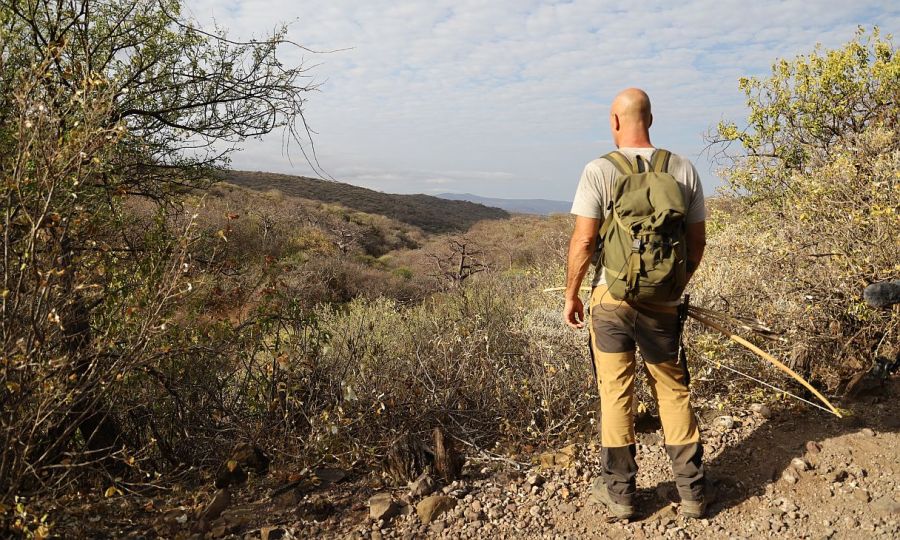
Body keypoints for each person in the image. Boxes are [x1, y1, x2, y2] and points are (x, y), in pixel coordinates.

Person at [563, 88, 709, 520]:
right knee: (672, 388)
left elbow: (585, 240)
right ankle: (694, 492)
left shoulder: (599, 170)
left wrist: (572, 293)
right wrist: (671, 285)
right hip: (664, 303)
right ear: (651, 118)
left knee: (616, 392)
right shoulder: (683, 169)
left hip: (612, 299)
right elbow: (697, 244)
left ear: (614, 121)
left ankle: (621, 494)